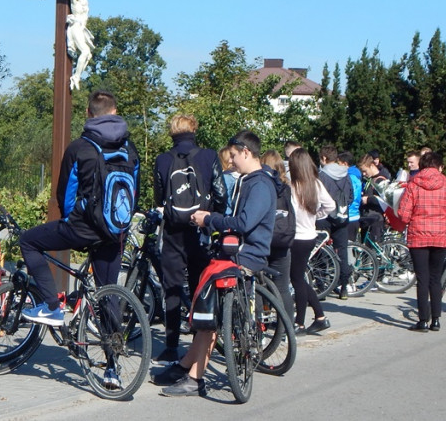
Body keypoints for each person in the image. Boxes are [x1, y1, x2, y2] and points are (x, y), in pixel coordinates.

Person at [153, 130, 276, 397]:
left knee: (209, 307)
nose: (230, 162)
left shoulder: (260, 185)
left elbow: (244, 223)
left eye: (233, 155)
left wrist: (209, 219)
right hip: (236, 252)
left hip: (245, 256)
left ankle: (195, 378)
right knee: (204, 301)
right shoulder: (252, 181)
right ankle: (187, 364)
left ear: (246, 152)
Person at [19, 91, 138, 339]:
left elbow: (65, 195)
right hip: (116, 232)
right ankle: (113, 365)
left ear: (88, 114)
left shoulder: (79, 147)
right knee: (108, 291)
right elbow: (134, 192)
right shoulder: (130, 149)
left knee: (28, 241)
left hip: (81, 229)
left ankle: (52, 306)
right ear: (115, 112)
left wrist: (74, 222)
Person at [151, 114, 227, 363]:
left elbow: (160, 197)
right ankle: (199, 344)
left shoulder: (163, 159)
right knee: (199, 288)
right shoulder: (208, 156)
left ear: (172, 132)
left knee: (172, 288)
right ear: (194, 130)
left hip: (174, 232)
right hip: (201, 230)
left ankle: (171, 345)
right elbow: (221, 193)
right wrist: (212, 219)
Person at [397, 152, 446, 332]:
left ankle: (423, 320)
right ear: (439, 166)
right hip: (441, 235)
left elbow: (403, 213)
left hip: (419, 236)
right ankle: (436, 319)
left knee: (422, 279)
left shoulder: (413, 185)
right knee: (435, 278)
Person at [286, 148, 336, 335]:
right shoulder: (315, 184)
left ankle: (301, 321)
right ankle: (319, 316)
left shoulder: (292, 186)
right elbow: (331, 205)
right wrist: (317, 215)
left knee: (297, 278)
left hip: (296, 236)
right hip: (310, 234)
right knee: (298, 277)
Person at [50, 0, 98, 90]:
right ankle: (75, 77)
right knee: (85, 51)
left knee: (88, 54)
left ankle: (77, 76)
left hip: (83, 28)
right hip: (76, 26)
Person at [261, 150, 295, 321]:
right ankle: (287, 326)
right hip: (283, 239)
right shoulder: (286, 188)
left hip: (264, 239)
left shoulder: (261, 185)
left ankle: (261, 324)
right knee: (282, 287)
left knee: (260, 284)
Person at [317, 146, 352, 300]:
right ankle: (343, 286)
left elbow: (317, 197)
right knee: (342, 251)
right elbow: (350, 196)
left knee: (320, 250)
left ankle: (321, 287)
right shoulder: (346, 174)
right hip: (343, 216)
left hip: (325, 216)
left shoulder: (322, 175)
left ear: (324, 158)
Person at [339, 151, 363, 244]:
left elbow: (351, 197)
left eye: (339, 164)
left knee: (347, 247)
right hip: (353, 215)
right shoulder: (355, 176)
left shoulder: (350, 178)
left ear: (345, 164)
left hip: (350, 215)